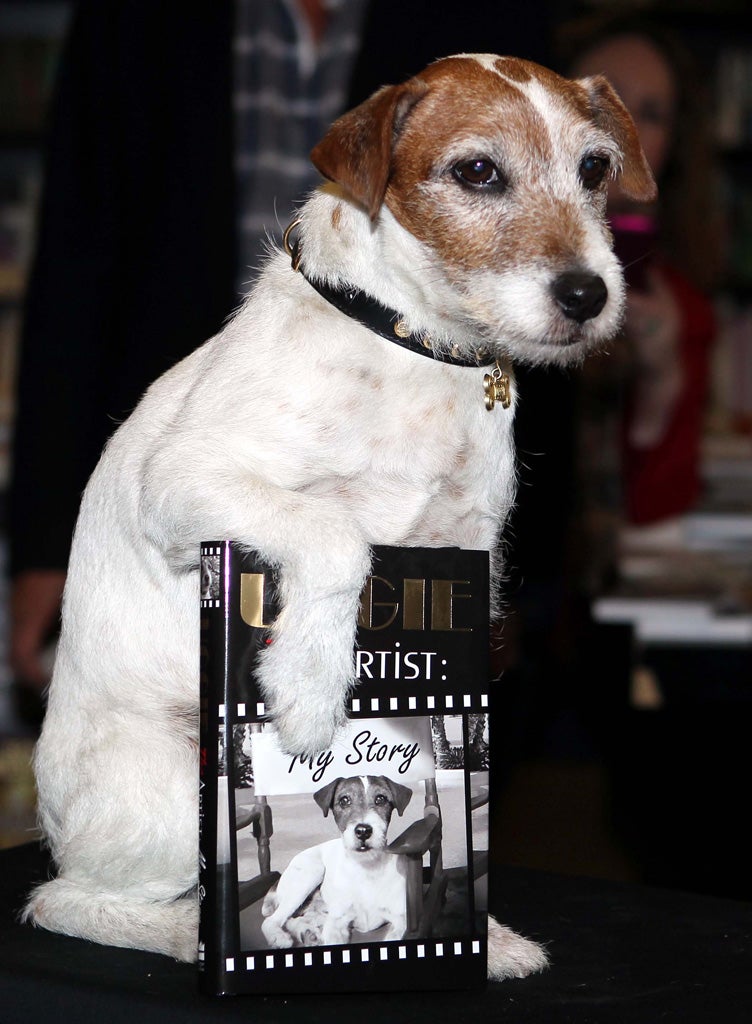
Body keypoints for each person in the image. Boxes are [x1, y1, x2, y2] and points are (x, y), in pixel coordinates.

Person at [8, 0, 553, 703]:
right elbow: (74, 271)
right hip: (188, 472)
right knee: (186, 766)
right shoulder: (134, 20)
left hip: (414, 463)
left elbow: (533, 304)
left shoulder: (495, 24)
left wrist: (507, 579)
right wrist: (47, 544)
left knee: (401, 751)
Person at [566, 14, 721, 536]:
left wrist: (661, 381)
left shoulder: (678, 306)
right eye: (599, 102)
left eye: (650, 114)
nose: (622, 129)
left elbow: (659, 515)